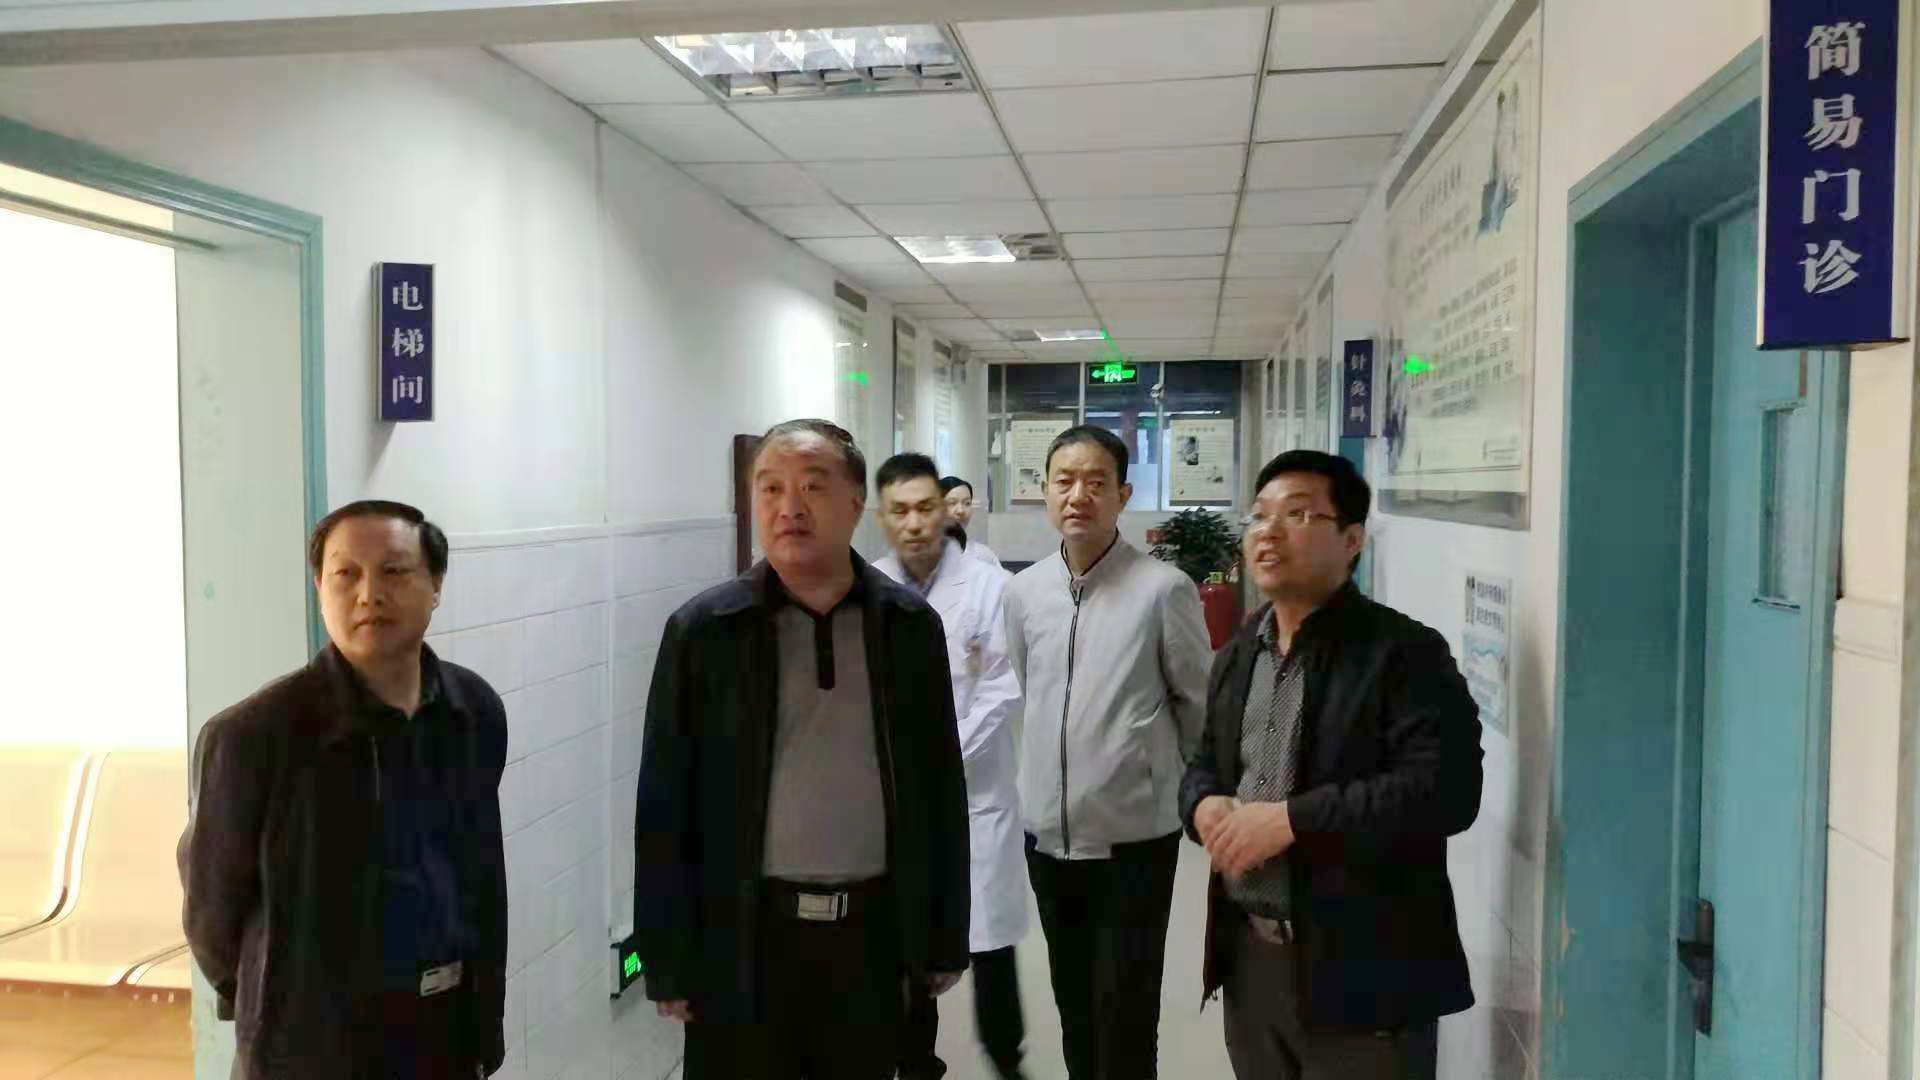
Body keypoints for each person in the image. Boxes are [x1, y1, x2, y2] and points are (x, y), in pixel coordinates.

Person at [633, 419, 972, 1080]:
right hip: (744, 940)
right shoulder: (705, 632)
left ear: (855, 504)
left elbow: (940, 788)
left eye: (813, 487)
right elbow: (663, 801)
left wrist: (944, 933)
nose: (789, 507)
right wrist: (667, 957)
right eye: (770, 488)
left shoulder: (906, 627)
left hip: (873, 940)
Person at [179, 500, 509, 1080]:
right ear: (319, 587)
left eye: (394, 571)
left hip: (447, 1040)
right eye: (346, 574)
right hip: (312, 1055)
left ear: (435, 584)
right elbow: (212, 919)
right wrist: (283, 1000)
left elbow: (481, 876)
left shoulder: (473, 711)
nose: (368, 595)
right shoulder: (253, 738)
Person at [1180, 450, 1483, 1080]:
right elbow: (1206, 760)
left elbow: (1446, 791)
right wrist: (1203, 803)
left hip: (1364, 973)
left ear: (1351, 541)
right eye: (1259, 515)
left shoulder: (1403, 653)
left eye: (1297, 515)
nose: (1268, 531)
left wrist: (1291, 821)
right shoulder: (1241, 651)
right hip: (1252, 962)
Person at [1003, 425, 1213, 1080]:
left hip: (1134, 843)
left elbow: (1198, 708)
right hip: (1049, 841)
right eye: (1064, 481)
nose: (1079, 496)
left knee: (1125, 1014)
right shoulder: (1023, 592)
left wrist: (1188, 797)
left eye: (1097, 482)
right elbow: (1027, 695)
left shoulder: (1163, 589)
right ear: (1044, 491)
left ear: (1122, 495)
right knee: (1074, 1007)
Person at [873, 453, 1029, 1080]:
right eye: (900, 511)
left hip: (974, 793)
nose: (914, 523)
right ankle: (917, 1063)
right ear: (881, 517)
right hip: (895, 798)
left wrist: (938, 761)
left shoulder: (990, 587)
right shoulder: (868, 587)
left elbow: (1001, 688)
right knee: (907, 942)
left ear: (945, 510)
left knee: (988, 943)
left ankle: (1007, 1061)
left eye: (925, 508)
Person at [940, 475, 1001, 567]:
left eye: (967, 503)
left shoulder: (983, 555)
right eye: (952, 503)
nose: (961, 510)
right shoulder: (925, 555)